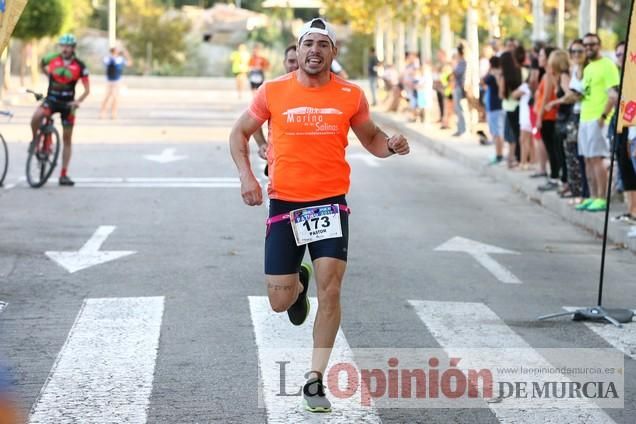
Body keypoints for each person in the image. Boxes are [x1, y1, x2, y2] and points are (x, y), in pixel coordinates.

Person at [229, 17, 409, 413]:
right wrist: (247, 177)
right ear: (299, 49)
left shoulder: (350, 95)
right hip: (284, 203)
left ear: (333, 53)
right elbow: (239, 134)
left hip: (329, 203)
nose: (314, 50)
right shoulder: (273, 91)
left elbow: (373, 140)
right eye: (307, 43)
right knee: (279, 302)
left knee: (331, 292)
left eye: (322, 45)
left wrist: (392, 146)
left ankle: (314, 380)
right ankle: (296, 285)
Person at [31, 33, 90, 186]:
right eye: (63, 46)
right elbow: (41, 64)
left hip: (68, 105)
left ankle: (63, 174)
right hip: (51, 99)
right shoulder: (52, 58)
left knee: (67, 139)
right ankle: (36, 141)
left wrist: (77, 102)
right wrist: (47, 75)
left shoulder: (80, 65)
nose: (65, 49)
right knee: (36, 116)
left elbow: (87, 89)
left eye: (68, 46)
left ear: (73, 48)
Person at [576, 33, 620, 212]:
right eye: (585, 45)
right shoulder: (588, 68)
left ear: (599, 45)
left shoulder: (607, 66)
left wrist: (603, 117)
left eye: (592, 44)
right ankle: (592, 196)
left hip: (598, 119)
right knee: (587, 159)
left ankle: (602, 197)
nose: (588, 48)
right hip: (584, 117)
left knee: (597, 159)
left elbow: (613, 94)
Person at [253, 44, 299, 170]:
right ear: (284, 63)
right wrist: (262, 144)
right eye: (291, 61)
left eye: (298, 61)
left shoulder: (315, 90)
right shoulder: (272, 89)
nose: (295, 65)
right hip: (280, 167)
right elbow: (251, 123)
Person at [610, 41, 636, 222]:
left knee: (631, 167)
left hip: (631, 127)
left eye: (624, 54)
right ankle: (631, 210)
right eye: (618, 54)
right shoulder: (619, 75)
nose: (621, 58)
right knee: (624, 166)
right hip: (620, 125)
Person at [482, 56, 504, 162]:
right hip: (499, 105)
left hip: (494, 106)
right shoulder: (501, 73)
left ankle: (499, 155)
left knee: (496, 132)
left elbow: (482, 80)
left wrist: (490, 70)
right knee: (498, 132)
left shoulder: (492, 75)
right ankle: (499, 154)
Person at [100, 46, 131, 120]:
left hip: (117, 81)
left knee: (115, 98)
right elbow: (105, 62)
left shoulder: (120, 59)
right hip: (109, 81)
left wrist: (126, 54)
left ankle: (114, 113)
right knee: (107, 97)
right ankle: (103, 112)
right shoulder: (108, 58)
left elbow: (129, 64)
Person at [452, 44, 467, 136]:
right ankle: (460, 128)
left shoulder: (462, 62)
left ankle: (462, 129)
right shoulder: (460, 62)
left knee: (460, 108)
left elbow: (457, 73)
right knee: (457, 108)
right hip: (457, 86)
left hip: (460, 87)